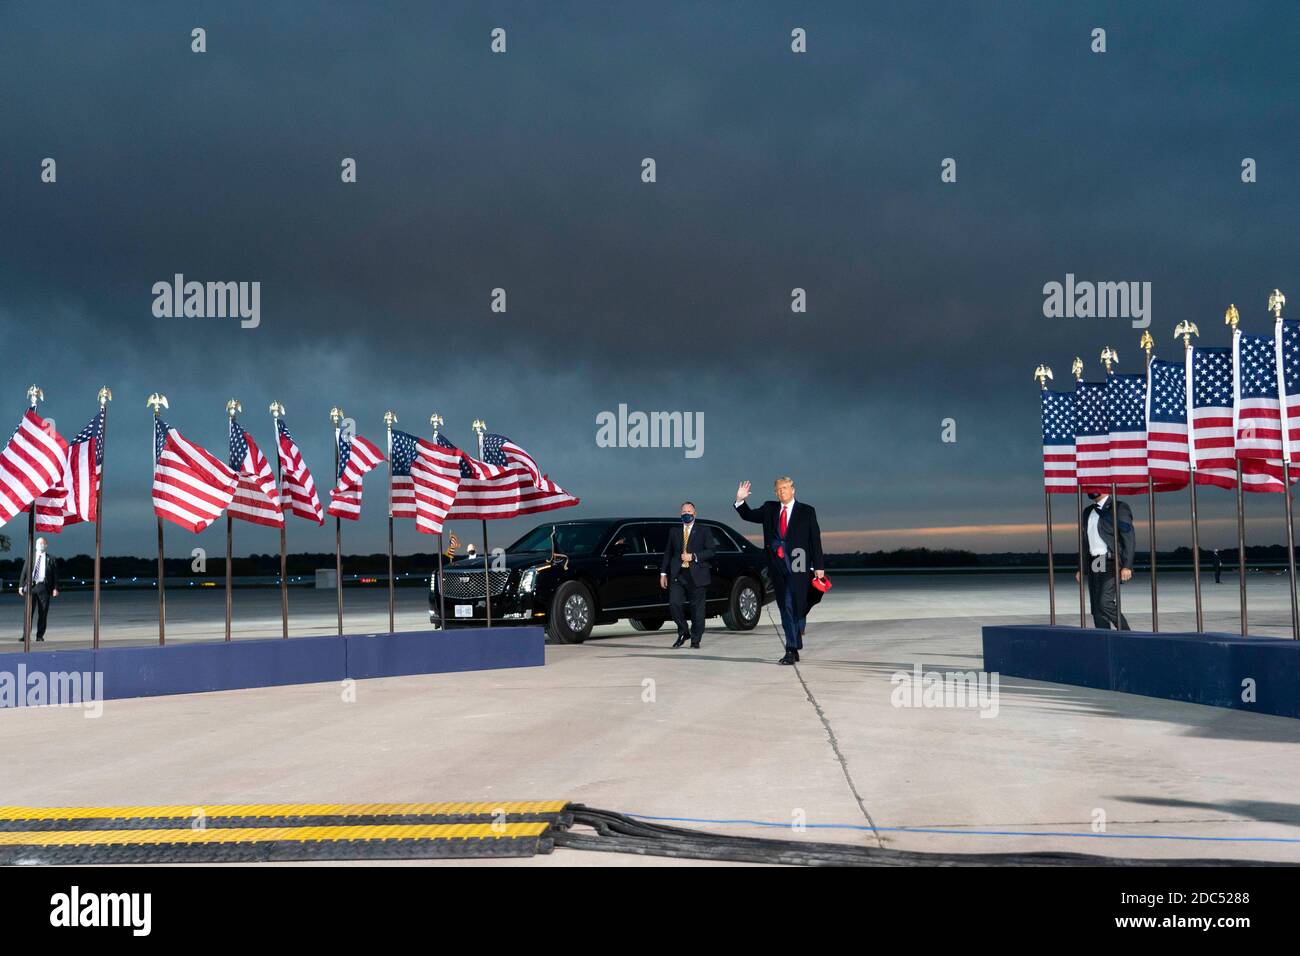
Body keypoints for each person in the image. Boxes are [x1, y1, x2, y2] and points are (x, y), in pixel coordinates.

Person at [734, 477, 825, 664]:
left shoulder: (807, 511)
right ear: (776, 493)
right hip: (777, 565)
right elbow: (748, 515)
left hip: (799, 564)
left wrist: (819, 567)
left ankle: (798, 628)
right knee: (785, 606)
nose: (782, 491)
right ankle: (791, 648)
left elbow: (814, 540)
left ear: (793, 490)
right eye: (778, 489)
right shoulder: (770, 509)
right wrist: (740, 500)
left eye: (785, 488)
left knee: (797, 605)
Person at [659, 502, 716, 649]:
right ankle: (684, 631)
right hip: (679, 574)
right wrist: (663, 573)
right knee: (674, 603)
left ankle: (695, 639)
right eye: (684, 511)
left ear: (695, 514)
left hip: (697, 575)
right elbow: (668, 553)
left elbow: (711, 551)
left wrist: (693, 556)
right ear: (680, 514)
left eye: (689, 511)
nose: (686, 513)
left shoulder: (704, 531)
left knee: (697, 610)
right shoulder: (674, 532)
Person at [1075, 491, 1134, 630]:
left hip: (1111, 560)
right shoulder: (1088, 511)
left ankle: (1127, 635)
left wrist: (1127, 565)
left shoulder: (1119, 507)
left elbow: (1129, 538)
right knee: (1096, 607)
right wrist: (1082, 567)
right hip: (1096, 561)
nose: (1091, 489)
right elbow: (1085, 542)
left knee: (1104, 602)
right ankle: (1104, 639)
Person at [18, 536, 59, 643]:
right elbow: (24, 572)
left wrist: (55, 588)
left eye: (43, 543)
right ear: (36, 545)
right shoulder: (30, 556)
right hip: (31, 587)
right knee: (28, 613)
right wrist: (21, 586)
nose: (41, 545)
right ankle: (25, 636)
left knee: (43, 613)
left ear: (46, 546)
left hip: (44, 588)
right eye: (39, 543)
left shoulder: (51, 558)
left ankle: (39, 636)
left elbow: (55, 575)